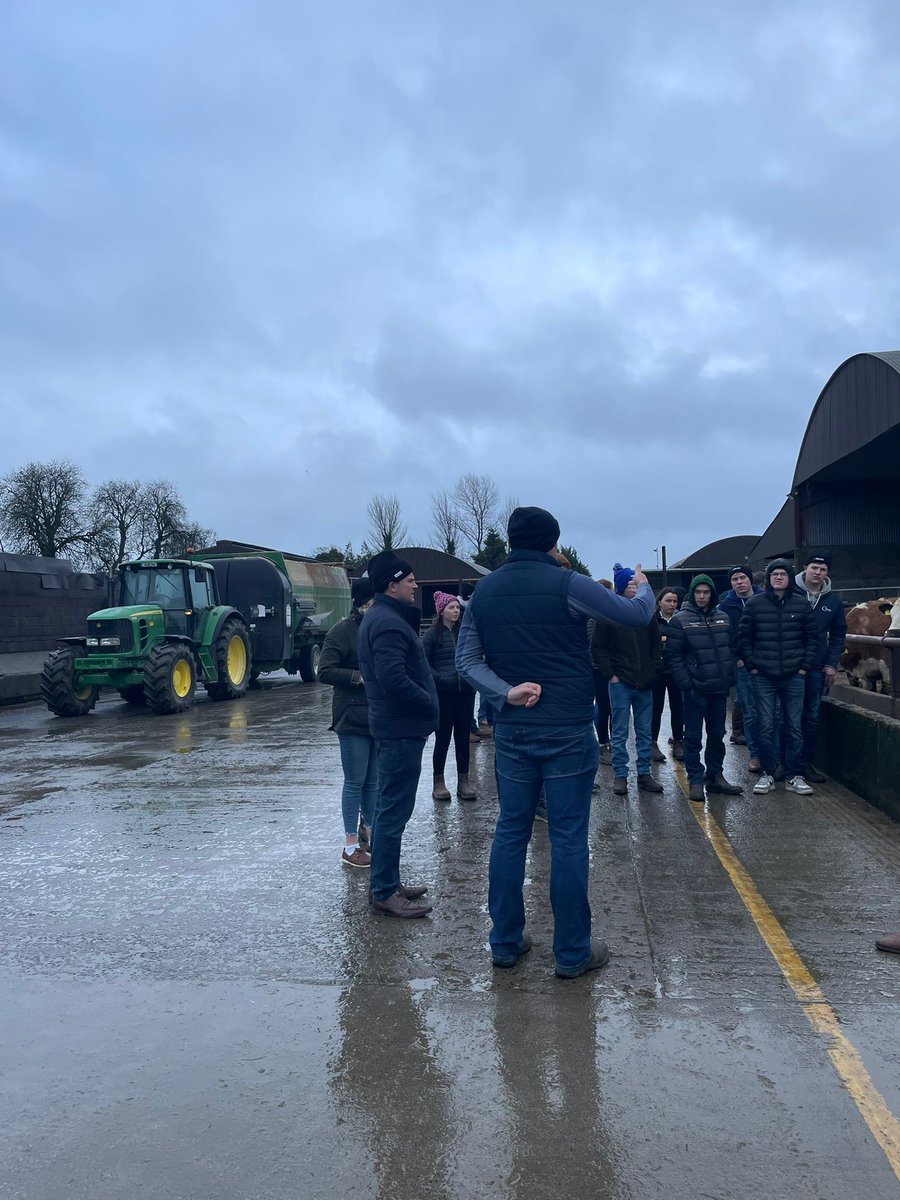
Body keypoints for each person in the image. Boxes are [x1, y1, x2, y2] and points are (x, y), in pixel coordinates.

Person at [456, 506, 656, 978]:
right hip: (566, 726)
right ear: (553, 542)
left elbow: (466, 660)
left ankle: (504, 942)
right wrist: (643, 585)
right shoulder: (569, 583)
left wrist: (505, 692)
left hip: (513, 729)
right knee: (567, 837)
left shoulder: (484, 590)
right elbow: (636, 615)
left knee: (510, 831)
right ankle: (571, 953)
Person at [358, 551, 439, 918]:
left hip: (398, 727)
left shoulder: (383, 616)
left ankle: (386, 881)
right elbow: (393, 678)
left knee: (388, 808)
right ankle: (385, 892)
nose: (415, 585)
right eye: (409, 580)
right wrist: (428, 704)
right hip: (401, 728)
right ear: (392, 584)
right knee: (393, 811)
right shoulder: (387, 622)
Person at [737, 559, 817, 797]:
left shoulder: (801, 605)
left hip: (794, 675)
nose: (778, 577)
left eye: (783, 574)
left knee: (794, 726)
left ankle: (793, 775)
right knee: (765, 726)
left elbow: (811, 639)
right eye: (774, 574)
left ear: (790, 578)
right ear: (768, 578)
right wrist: (752, 666)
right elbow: (743, 638)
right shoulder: (754, 604)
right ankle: (768, 773)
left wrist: (804, 667)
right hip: (763, 676)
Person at [666, 574, 742, 803]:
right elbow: (674, 657)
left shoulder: (723, 618)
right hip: (695, 689)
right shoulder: (681, 620)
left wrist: (729, 677)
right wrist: (687, 684)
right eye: (698, 592)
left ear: (712, 593)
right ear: (692, 593)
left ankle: (716, 776)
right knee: (693, 736)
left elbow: (730, 648)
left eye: (706, 592)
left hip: (719, 689)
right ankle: (695, 779)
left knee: (717, 734)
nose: (702, 596)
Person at [319, 577, 378, 869]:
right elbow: (325, 670)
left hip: (377, 716)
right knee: (355, 781)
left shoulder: (378, 627)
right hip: (352, 715)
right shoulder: (342, 631)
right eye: (375, 601)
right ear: (365, 602)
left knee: (374, 781)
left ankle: (371, 834)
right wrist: (358, 677)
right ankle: (350, 844)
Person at [591, 564, 663, 795]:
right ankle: (620, 775)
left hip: (645, 682)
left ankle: (644, 773)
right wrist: (611, 675)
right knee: (620, 731)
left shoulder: (647, 616)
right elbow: (598, 648)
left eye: (636, 584)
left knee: (644, 731)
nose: (634, 588)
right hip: (620, 682)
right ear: (620, 588)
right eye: (630, 585)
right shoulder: (608, 615)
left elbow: (655, 646)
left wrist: (652, 671)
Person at [794, 551, 847, 783]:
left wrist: (831, 663)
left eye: (822, 569)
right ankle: (783, 763)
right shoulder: (790, 593)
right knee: (785, 715)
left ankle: (806, 764)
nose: (817, 572)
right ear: (805, 568)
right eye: (814, 567)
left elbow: (838, 634)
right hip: (789, 666)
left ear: (827, 573)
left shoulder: (832, 602)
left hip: (816, 667)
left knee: (811, 716)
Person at [422, 591, 477, 801]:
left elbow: (474, 655)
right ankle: (439, 781)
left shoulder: (465, 632)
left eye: (457, 608)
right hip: (444, 693)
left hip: (465, 692)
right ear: (441, 611)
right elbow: (423, 662)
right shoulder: (431, 635)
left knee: (463, 737)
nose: (455, 611)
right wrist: (439, 679)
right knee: (443, 738)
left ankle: (464, 781)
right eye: (451, 608)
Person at [717, 565, 763, 772]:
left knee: (774, 711)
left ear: (750, 579)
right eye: (735, 579)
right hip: (743, 666)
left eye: (742, 577)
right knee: (750, 711)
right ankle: (755, 755)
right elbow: (724, 637)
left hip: (768, 663)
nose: (739, 582)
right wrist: (735, 659)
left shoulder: (766, 599)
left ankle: (775, 753)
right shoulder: (725, 606)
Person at [651, 586, 684, 762]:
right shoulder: (652, 620)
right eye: (668, 601)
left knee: (678, 706)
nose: (672, 604)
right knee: (655, 707)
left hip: (676, 669)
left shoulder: (680, 620)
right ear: (659, 602)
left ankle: (679, 740)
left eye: (674, 601)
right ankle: (653, 742)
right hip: (657, 669)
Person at [589, 578, 614, 764]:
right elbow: (591, 644)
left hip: (611, 666)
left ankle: (611, 743)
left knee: (612, 707)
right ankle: (603, 743)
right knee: (603, 706)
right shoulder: (592, 615)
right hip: (596, 667)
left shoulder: (610, 613)